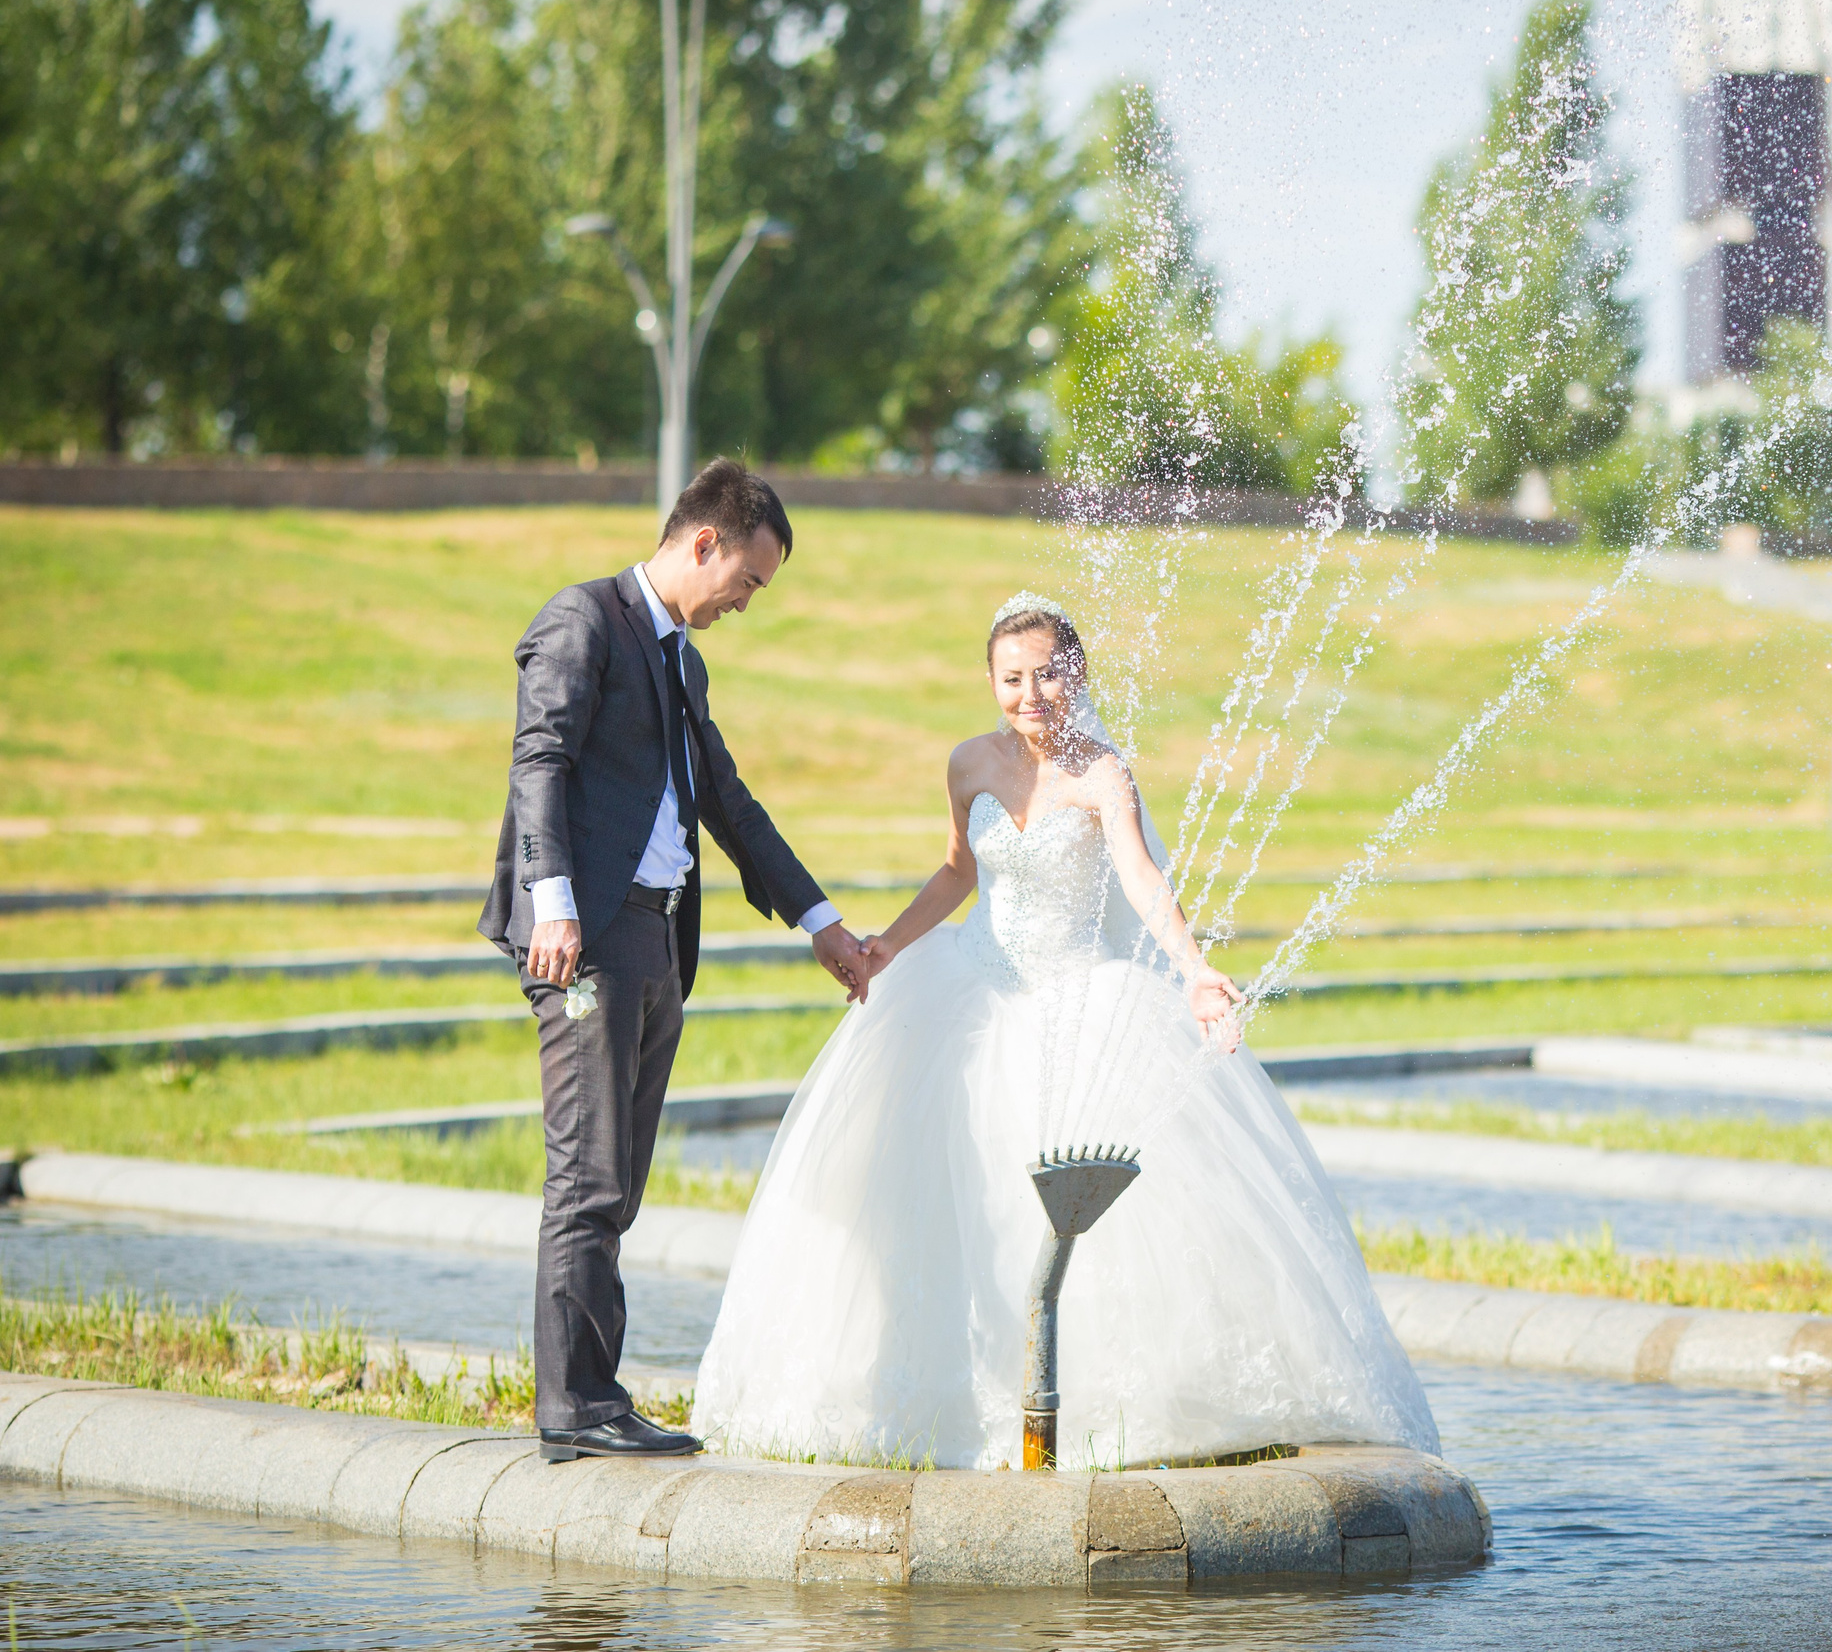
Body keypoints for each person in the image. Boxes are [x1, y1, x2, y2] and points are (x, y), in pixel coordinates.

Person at [692, 594, 1437, 1468]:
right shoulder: (967, 763)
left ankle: (1087, 1406)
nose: (1032, 693)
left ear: (1076, 673)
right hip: (969, 991)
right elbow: (957, 871)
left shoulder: (1102, 774)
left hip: (1079, 998)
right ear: (991, 681)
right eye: (1013, 678)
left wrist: (1195, 970)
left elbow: (1142, 877)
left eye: (1048, 673)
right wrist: (892, 941)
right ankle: (951, 1403)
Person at [477, 459, 872, 1463]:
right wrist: (551, 904)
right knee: (588, 1176)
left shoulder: (683, 662)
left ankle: (597, 1395)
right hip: (585, 937)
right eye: (748, 578)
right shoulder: (584, 621)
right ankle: (575, 1406)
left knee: (620, 1182)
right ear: (705, 543)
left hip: (654, 938)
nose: (745, 601)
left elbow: (730, 806)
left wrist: (821, 920)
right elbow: (541, 762)